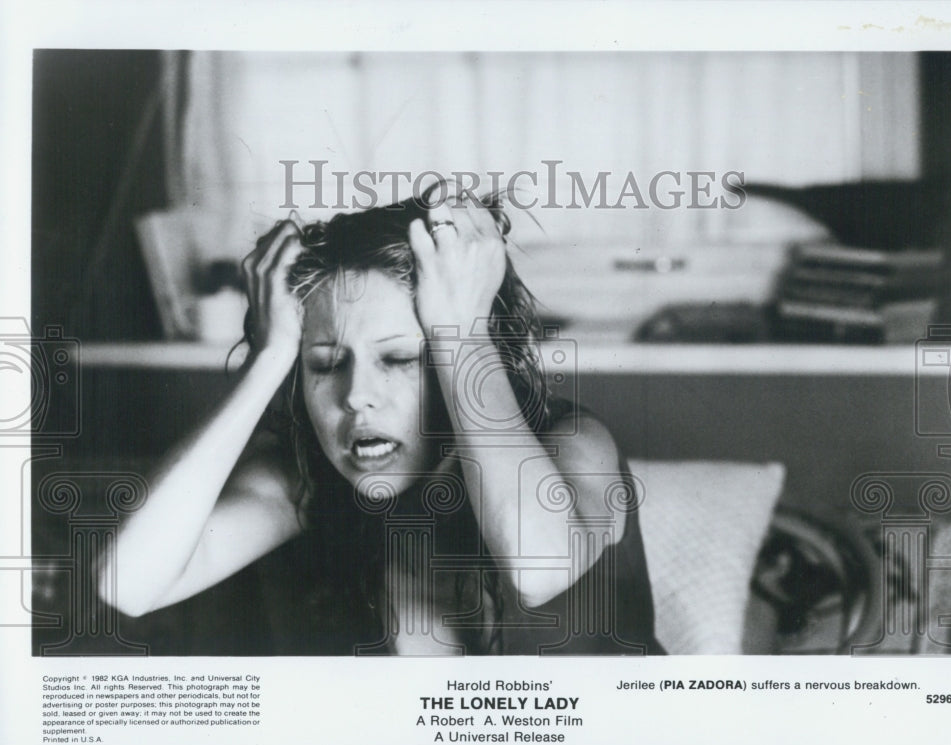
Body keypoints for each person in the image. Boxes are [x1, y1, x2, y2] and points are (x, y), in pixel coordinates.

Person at [99, 186, 663, 655]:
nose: (355, 397)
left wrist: (463, 328)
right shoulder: (308, 474)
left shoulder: (571, 441)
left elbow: (539, 566)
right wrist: (269, 359)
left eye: (399, 359)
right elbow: (126, 584)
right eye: (326, 363)